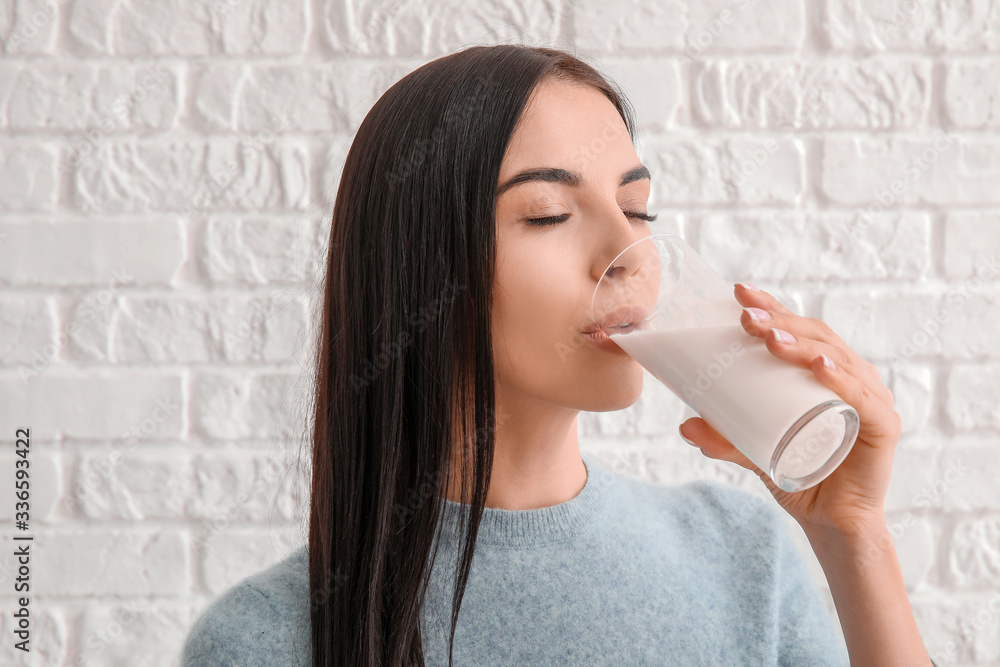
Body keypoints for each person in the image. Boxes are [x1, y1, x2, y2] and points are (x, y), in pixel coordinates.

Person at [180, 44, 934, 666]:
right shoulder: (266, 639)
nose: (628, 250)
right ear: (420, 270)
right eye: (549, 214)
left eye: (637, 209)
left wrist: (854, 535)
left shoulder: (745, 557)